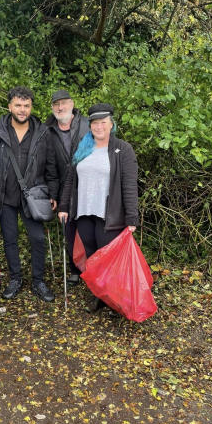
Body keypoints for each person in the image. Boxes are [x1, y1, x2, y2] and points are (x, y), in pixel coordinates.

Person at [0, 86, 59, 302]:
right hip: (4, 196)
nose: (22, 110)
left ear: (31, 107)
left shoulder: (43, 133)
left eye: (26, 105)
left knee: (38, 238)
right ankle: (15, 279)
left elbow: (51, 165)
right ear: (9, 106)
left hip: (33, 197)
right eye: (18, 105)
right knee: (10, 239)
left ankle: (38, 281)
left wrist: (53, 192)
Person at [58, 103, 139, 311]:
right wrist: (64, 206)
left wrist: (132, 218)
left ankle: (115, 301)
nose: (99, 127)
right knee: (93, 258)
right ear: (90, 125)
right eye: (94, 123)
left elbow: (129, 185)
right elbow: (70, 181)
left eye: (103, 122)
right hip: (84, 213)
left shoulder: (123, 149)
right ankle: (100, 297)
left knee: (109, 260)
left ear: (111, 124)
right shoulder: (83, 148)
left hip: (109, 216)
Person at [45, 90, 89, 286]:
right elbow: (49, 165)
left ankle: (92, 269)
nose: (60, 107)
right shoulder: (46, 130)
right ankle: (74, 269)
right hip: (64, 186)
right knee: (69, 229)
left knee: (89, 228)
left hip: (88, 185)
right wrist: (53, 193)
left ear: (72, 103)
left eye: (63, 103)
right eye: (56, 104)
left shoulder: (88, 125)